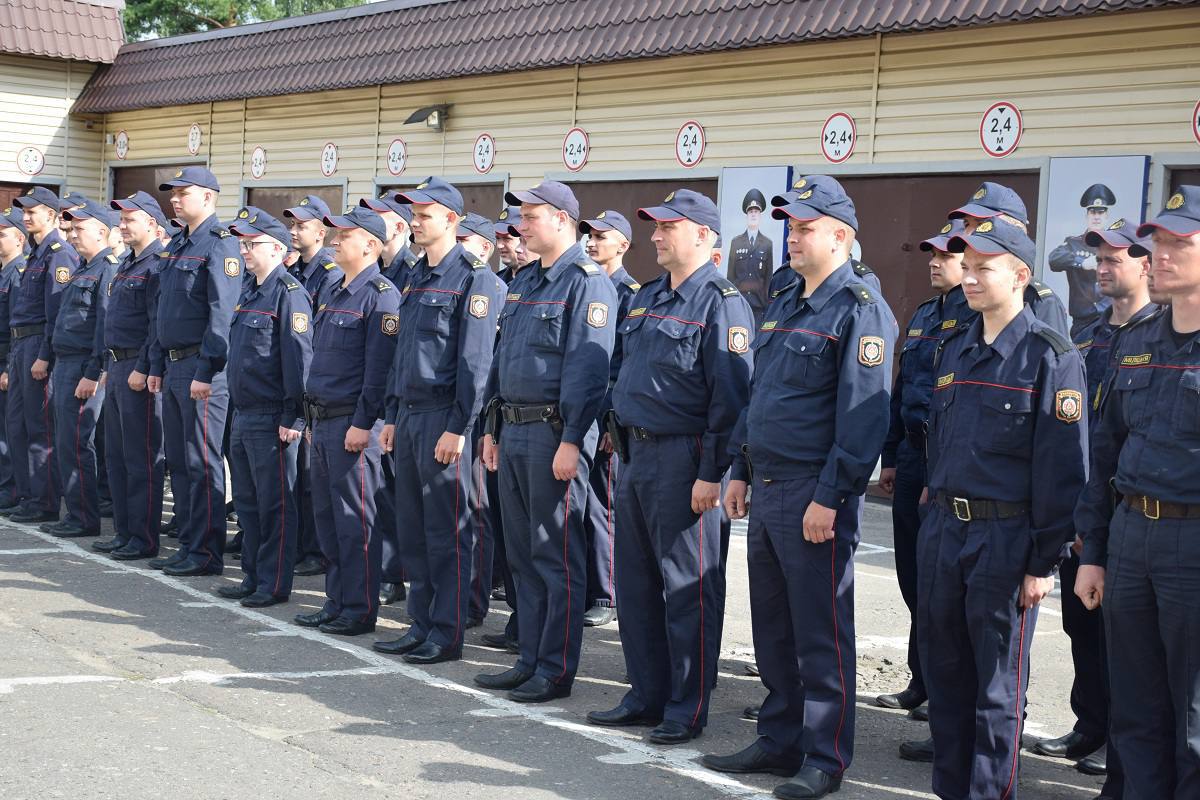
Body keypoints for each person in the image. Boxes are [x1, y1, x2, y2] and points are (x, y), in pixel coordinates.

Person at [704, 175, 896, 799]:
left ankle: (824, 753)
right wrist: (739, 467)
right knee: (774, 627)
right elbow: (761, 396)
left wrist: (832, 495)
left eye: (806, 227)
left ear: (841, 236)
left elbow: (864, 416)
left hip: (815, 492)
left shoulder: (860, 308)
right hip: (769, 484)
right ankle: (781, 735)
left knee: (820, 630)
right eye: (791, 224)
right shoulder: (786, 299)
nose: (792, 235)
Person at [919, 217, 1088, 800]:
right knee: (944, 672)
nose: (970, 277)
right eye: (968, 266)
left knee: (996, 687)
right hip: (944, 530)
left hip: (1003, 538)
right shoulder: (955, 346)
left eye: (983, 267)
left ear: (1020, 275)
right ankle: (951, 789)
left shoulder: (1050, 356)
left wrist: (1043, 562)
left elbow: (1064, 469)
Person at [586, 189, 752, 744]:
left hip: (685, 460)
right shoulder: (648, 295)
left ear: (703, 235)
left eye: (668, 228)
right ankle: (646, 693)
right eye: (654, 228)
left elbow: (730, 398)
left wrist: (712, 471)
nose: (655, 236)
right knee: (635, 585)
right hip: (634, 454)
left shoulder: (721, 302)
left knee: (687, 589)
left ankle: (687, 703)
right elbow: (621, 368)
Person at [1074, 185, 1200, 799]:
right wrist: (1093, 551)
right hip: (1130, 539)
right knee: (1136, 709)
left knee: (1193, 721)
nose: (1164, 252)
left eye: (1182, 242)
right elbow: (1106, 454)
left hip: (1192, 544)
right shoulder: (1137, 342)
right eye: (1161, 241)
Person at [475, 180, 617, 703]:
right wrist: (492, 428)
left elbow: (589, 369)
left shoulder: (586, 282)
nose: (521, 226)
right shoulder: (525, 281)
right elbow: (501, 361)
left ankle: (555, 669)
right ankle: (528, 657)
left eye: (531, 216)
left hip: (554, 434)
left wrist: (574, 440)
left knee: (555, 555)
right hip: (512, 431)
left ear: (560, 219)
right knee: (521, 554)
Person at [1032, 218, 1155, 787]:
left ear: (1145, 265)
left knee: (1122, 637)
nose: (1101, 270)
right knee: (1082, 624)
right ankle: (1090, 722)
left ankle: (1117, 739)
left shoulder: (1157, 334)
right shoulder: (1086, 333)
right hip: (1086, 505)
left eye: (1113, 261)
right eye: (1098, 262)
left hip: (1129, 510)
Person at [374, 178, 504, 664]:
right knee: (413, 527)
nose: (414, 221)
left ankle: (446, 632)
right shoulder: (415, 276)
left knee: (446, 531)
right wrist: (389, 413)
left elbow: (475, 363)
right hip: (408, 417)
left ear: (451, 219)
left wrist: (459, 427)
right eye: (413, 213)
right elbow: (401, 354)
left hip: (443, 421)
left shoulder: (474, 277)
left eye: (424, 214)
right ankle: (420, 621)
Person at [876, 220, 969, 731]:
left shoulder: (972, 317)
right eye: (931, 254)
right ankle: (920, 678)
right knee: (914, 576)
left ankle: (942, 687)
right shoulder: (924, 315)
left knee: (941, 581)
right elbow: (902, 389)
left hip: (945, 461)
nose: (934, 262)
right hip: (912, 458)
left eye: (945, 256)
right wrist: (890, 455)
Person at [293, 205, 398, 636]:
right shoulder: (335, 289)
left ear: (370, 244)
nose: (335, 241)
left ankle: (359, 607)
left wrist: (363, 421)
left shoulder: (381, 294)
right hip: (323, 421)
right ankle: (336, 601)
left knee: (355, 521)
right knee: (329, 520)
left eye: (345, 236)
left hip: (352, 424)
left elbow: (379, 370)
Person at [146, 168, 242, 577]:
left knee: (203, 461)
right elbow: (162, 311)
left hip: (203, 370)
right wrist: (156, 364)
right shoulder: (179, 244)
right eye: (173, 193)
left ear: (208, 197)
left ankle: (206, 552)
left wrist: (207, 369)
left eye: (184, 193)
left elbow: (221, 316)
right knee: (182, 462)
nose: (175, 199)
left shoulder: (221, 245)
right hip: (174, 365)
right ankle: (189, 542)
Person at [219, 207, 313, 607]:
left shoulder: (289, 293)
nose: (244, 251)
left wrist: (294, 414)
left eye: (251, 244)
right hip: (243, 412)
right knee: (248, 503)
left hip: (272, 415)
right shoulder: (249, 290)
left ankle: (273, 583)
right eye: (242, 244)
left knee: (275, 504)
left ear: (277, 249)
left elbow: (299, 359)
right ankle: (252, 576)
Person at [95, 192, 168, 560]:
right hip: (116, 366)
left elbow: (156, 325)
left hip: (137, 369)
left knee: (141, 457)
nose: (122, 226)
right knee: (118, 455)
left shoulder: (157, 265)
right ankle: (125, 532)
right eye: (120, 221)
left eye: (130, 220)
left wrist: (142, 366)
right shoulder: (127, 263)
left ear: (153, 224)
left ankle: (143, 537)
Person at [40, 199, 119, 538]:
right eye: (70, 228)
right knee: (65, 441)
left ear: (102, 231)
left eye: (80, 229)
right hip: (66, 363)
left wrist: (93, 371)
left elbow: (104, 325)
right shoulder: (84, 267)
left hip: (82, 367)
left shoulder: (107, 268)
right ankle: (75, 512)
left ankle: (84, 517)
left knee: (76, 441)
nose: (72, 235)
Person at [578, 209, 640, 627]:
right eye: (590, 235)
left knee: (604, 504)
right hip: (586, 412)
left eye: (603, 236)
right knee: (584, 504)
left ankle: (605, 592)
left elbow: (625, 360)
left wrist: (611, 418)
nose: (593, 242)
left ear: (624, 244)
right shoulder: (586, 284)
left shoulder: (629, 292)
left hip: (608, 418)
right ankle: (590, 585)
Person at [478, 206, 534, 655]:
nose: (507, 242)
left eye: (515, 232)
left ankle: (542, 643)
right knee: (512, 535)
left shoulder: (579, 283)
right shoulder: (518, 287)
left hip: (546, 429)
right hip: (505, 424)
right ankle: (522, 622)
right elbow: (499, 365)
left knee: (545, 546)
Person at [9, 187, 79, 524]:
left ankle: (46, 500)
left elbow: (56, 311)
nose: (25, 217)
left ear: (50, 215)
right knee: (19, 425)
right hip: (21, 344)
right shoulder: (36, 254)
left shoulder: (58, 254)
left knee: (40, 429)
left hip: (38, 344)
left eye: (32, 211)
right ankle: (29, 494)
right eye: (23, 211)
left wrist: (44, 355)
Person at [283, 194, 342, 578]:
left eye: (301, 225)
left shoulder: (329, 273)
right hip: (305, 390)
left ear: (321, 230)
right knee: (302, 479)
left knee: (311, 482)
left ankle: (316, 549)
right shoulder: (298, 271)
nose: (293, 231)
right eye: (292, 225)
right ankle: (304, 544)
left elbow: (315, 342)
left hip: (317, 388)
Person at [948, 181, 1072, 337]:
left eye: (982, 224)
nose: (970, 232)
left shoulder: (1041, 301)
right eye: (966, 224)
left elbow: (1051, 357)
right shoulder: (959, 295)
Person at [1049, 184, 1117, 334]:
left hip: (1111, 319)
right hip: (1082, 321)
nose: (1097, 217)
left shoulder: (1115, 245)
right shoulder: (1074, 243)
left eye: (1101, 212)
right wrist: (1082, 262)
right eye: (1093, 212)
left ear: (1107, 216)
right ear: (1086, 216)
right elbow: (1054, 260)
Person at [0, 207, 29, 512]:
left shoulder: (20, 273)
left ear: (19, 238)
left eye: (2, 234)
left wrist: (8, 367)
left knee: (9, 431)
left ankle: (11, 488)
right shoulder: (5, 271)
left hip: (7, 362)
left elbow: (15, 327)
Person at [729, 188, 773, 325]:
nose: (753, 215)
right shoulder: (736, 242)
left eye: (756, 212)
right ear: (746, 215)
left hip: (759, 307)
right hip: (739, 305)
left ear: (760, 215)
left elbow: (768, 278)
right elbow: (730, 276)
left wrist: (767, 304)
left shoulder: (767, 243)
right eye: (751, 211)